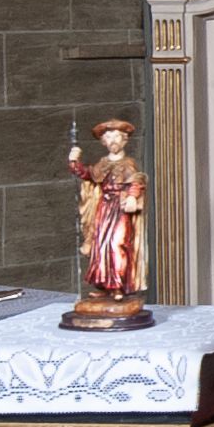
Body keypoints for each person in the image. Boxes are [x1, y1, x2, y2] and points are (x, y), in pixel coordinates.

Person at [67, 119, 148, 311]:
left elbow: (136, 180)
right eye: (109, 137)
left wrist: (132, 196)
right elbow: (88, 174)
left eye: (116, 136)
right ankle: (104, 286)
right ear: (104, 141)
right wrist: (74, 161)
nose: (113, 140)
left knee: (117, 244)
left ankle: (118, 285)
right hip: (104, 207)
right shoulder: (103, 163)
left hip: (120, 208)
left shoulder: (128, 163)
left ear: (124, 140)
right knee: (101, 246)